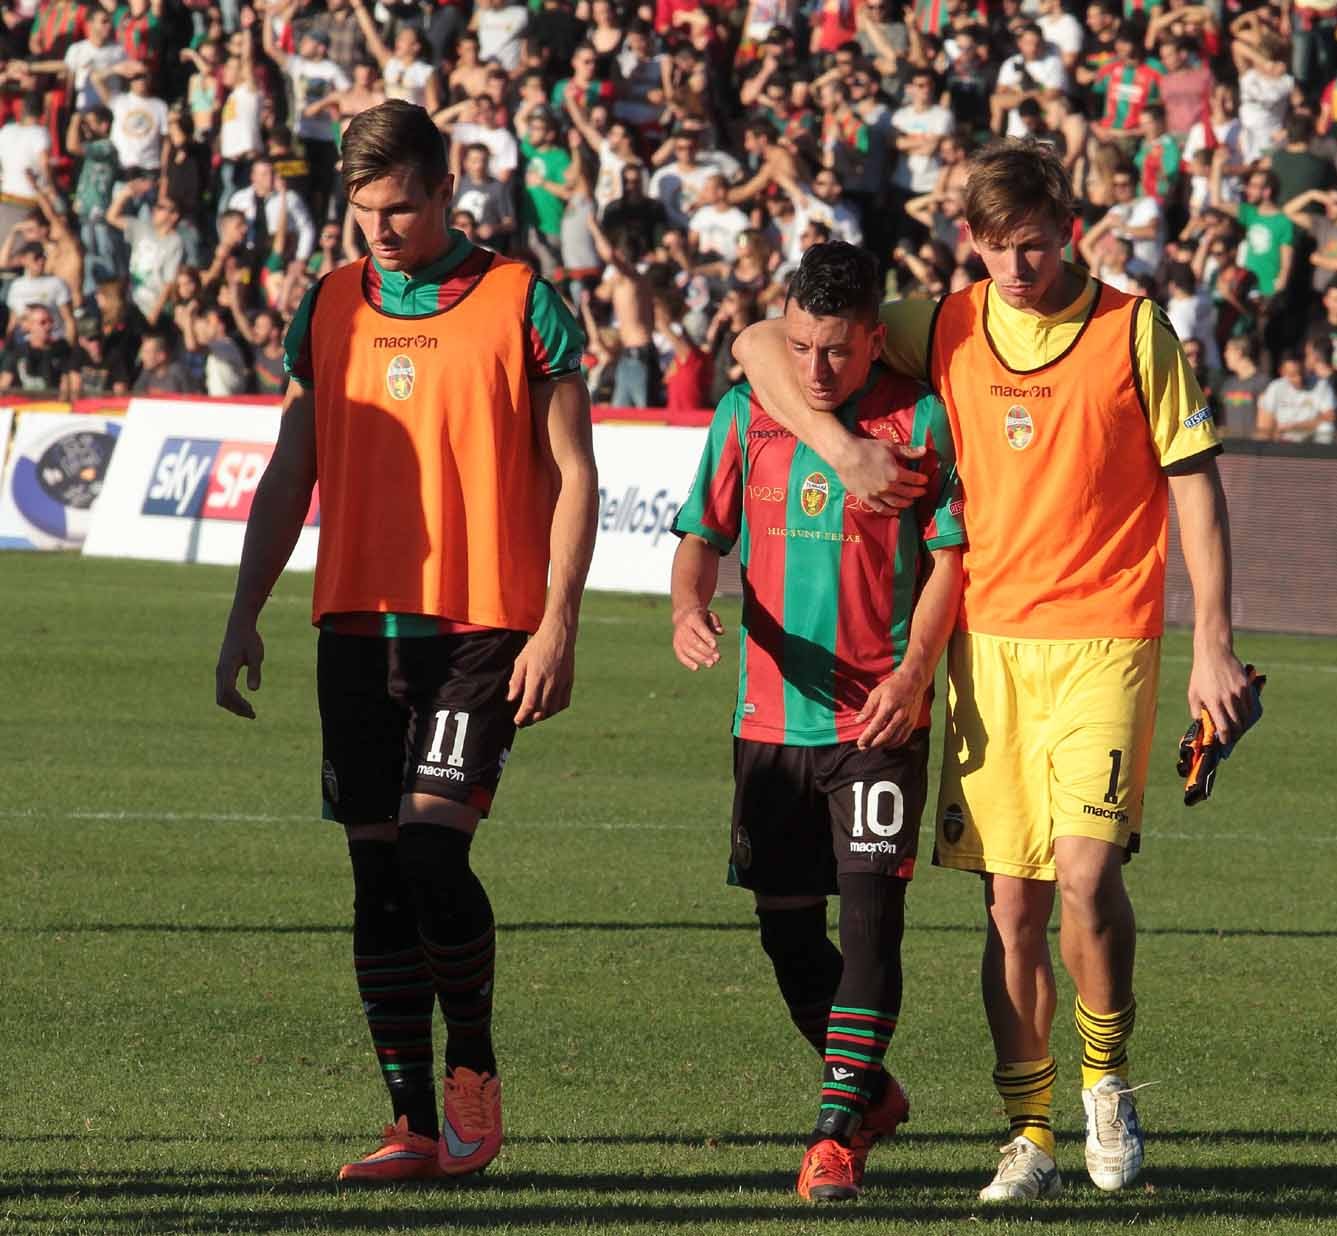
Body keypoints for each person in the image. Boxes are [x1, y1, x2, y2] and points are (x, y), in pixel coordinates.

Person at [732, 138, 1254, 1202]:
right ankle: (1032, 1135)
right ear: (967, 240)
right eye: (994, 246)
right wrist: (840, 446)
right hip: (986, 647)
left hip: (1106, 637)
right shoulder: (948, 321)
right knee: (1011, 908)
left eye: (1033, 244)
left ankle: (1106, 1082)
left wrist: (1213, 641)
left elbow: (1194, 484)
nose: (1016, 268)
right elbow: (754, 343)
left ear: (1068, 227)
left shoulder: (1132, 331)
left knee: (1085, 877)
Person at [212, 100, 597, 1185]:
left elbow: (576, 473)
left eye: (400, 208)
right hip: (355, 623)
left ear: (445, 193)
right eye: (362, 211)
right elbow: (295, 464)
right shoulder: (329, 303)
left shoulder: (523, 301)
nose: (381, 230)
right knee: (375, 872)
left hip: (480, 623)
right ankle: (412, 1123)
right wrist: (245, 609)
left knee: (433, 847)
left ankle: (474, 1071)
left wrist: (560, 621)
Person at [668, 240, 966, 1202]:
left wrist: (916, 672)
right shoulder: (747, 414)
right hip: (768, 724)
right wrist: (688, 607)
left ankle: (836, 1132)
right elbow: (699, 537)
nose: (816, 370)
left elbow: (951, 559)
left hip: (877, 722)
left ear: (876, 340)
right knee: (788, 936)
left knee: (874, 918)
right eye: (800, 347)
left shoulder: (920, 420)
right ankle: (872, 1091)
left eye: (837, 352)